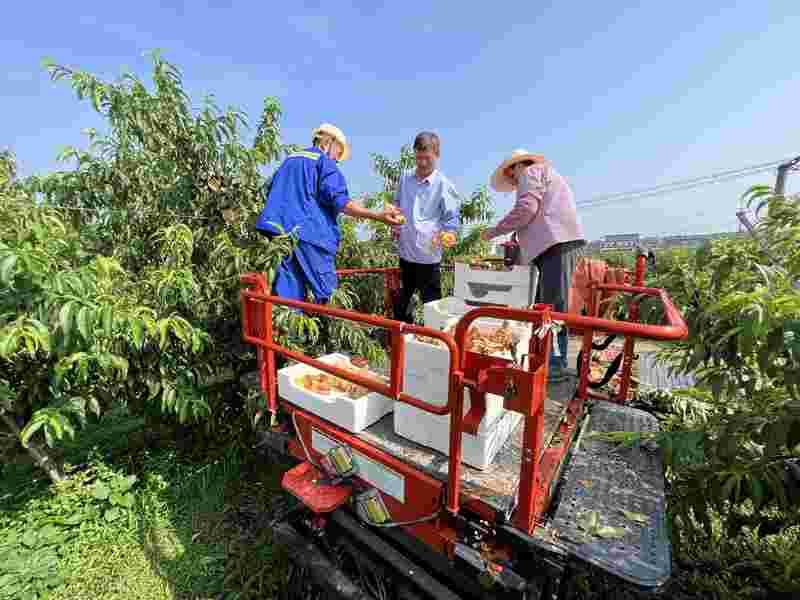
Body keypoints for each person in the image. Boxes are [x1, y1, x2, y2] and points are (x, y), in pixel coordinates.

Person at [256, 123, 403, 304]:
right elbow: (341, 202)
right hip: (310, 235)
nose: (337, 160)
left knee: (289, 298)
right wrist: (378, 216)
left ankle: (291, 332)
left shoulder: (290, 160)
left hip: (279, 234)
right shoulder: (323, 162)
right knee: (330, 298)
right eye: (338, 153)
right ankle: (332, 330)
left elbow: (271, 191)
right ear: (329, 143)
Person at [481, 149, 586, 381]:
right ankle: (543, 358)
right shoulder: (540, 174)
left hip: (558, 244)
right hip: (552, 246)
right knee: (542, 306)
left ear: (513, 168)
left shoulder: (530, 172)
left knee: (552, 308)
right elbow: (532, 220)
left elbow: (526, 211)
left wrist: (494, 231)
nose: (511, 181)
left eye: (510, 177)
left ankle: (556, 364)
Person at [391, 132, 461, 324]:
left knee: (433, 309)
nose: (422, 163)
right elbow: (397, 204)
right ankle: (402, 346)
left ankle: (434, 346)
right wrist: (394, 219)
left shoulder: (444, 185)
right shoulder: (405, 179)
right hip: (406, 254)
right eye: (418, 158)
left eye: (427, 158)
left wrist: (449, 235)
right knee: (401, 307)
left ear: (436, 155)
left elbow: (452, 219)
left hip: (429, 259)